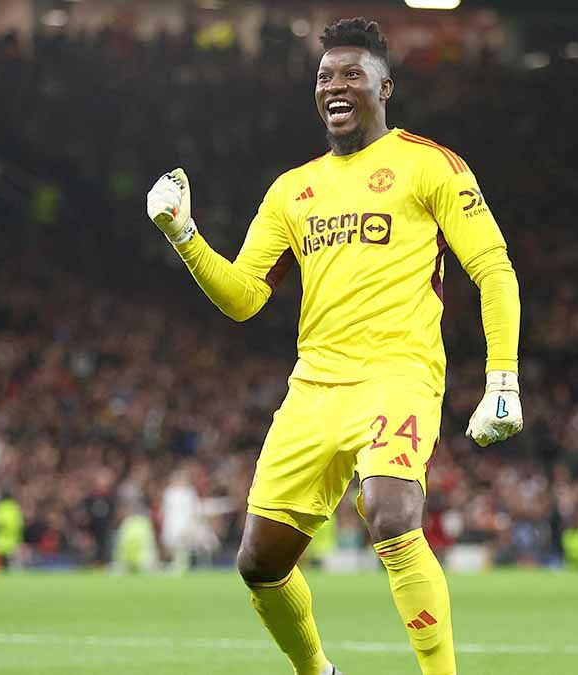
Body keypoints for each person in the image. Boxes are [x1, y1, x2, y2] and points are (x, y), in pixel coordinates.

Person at [145, 17, 522, 675]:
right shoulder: (293, 190)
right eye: (325, 76)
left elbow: (493, 267)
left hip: (398, 374)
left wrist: (503, 378)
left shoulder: (429, 164)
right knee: (259, 562)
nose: (335, 85)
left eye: (351, 73)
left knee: (390, 511)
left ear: (385, 86)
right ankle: (318, 670)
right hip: (314, 387)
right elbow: (243, 296)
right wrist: (185, 234)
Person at [0, 492, 23, 570]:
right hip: (14, 541)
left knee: (2, 564)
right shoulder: (15, 509)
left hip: (1, 541)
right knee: (13, 564)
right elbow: (20, 524)